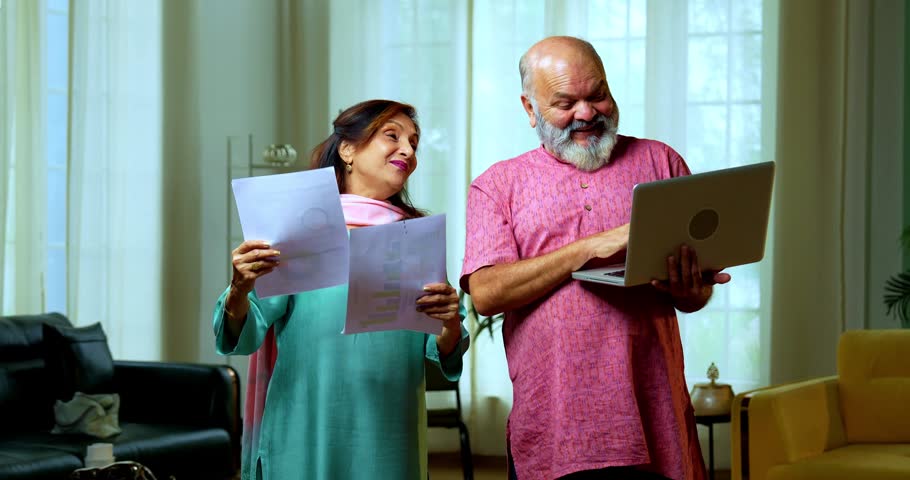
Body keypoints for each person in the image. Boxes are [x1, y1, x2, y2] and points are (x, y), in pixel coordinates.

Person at [460, 36, 731, 480]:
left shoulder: (660, 162)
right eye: (565, 102)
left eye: (598, 95)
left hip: (654, 418)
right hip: (554, 427)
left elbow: (696, 292)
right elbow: (487, 295)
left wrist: (692, 289)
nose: (586, 113)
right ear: (529, 110)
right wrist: (587, 247)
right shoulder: (497, 185)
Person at [214, 99, 469, 480]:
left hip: (388, 431)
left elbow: (441, 351)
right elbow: (243, 334)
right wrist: (239, 287)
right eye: (392, 136)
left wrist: (449, 321)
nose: (408, 150)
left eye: (414, 143)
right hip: (305, 425)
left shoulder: (415, 238)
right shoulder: (299, 227)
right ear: (348, 149)